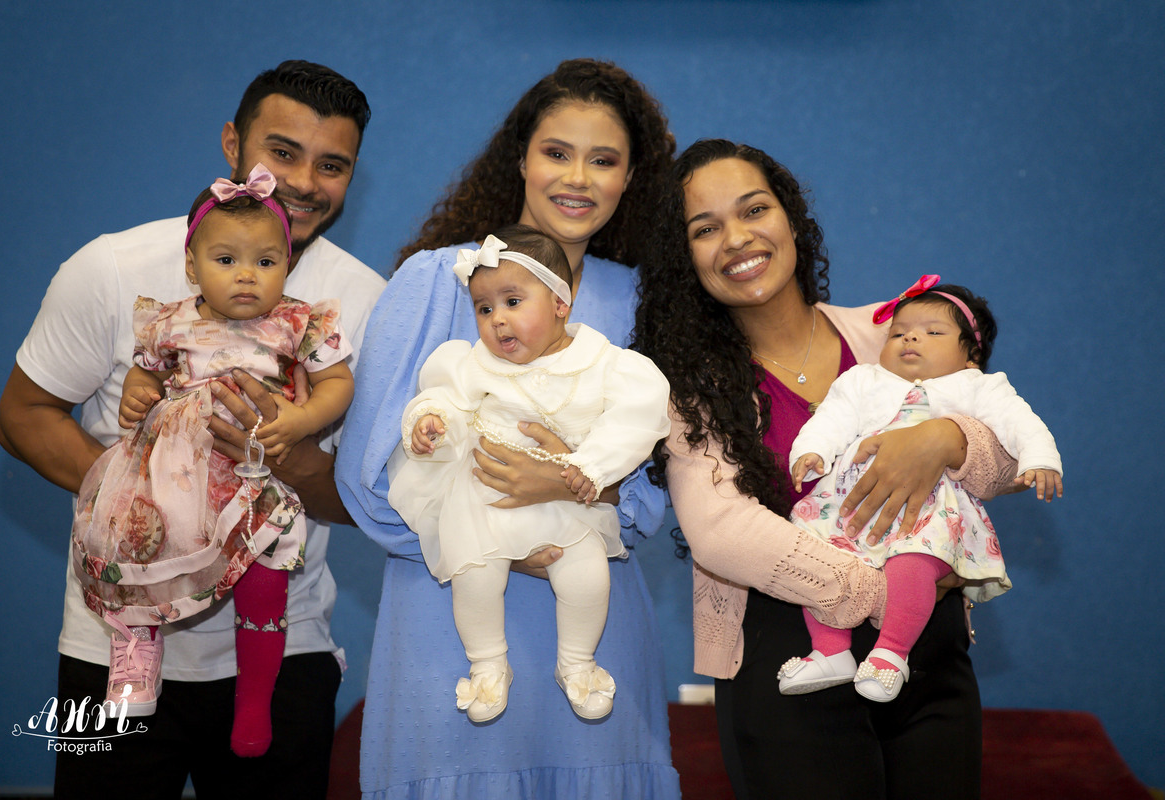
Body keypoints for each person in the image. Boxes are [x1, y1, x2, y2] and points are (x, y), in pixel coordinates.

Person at [0, 61, 384, 798]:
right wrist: (142, 502)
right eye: (283, 151)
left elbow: (375, 500)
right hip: (109, 647)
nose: (305, 182)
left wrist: (282, 451)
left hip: (287, 653)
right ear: (232, 143)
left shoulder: (363, 304)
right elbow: (22, 417)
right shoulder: (114, 268)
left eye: (332, 165)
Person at [335, 59, 682, 798]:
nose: (578, 178)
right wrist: (488, 535)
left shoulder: (643, 299)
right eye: (557, 152)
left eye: (604, 160)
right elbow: (364, 474)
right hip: (446, 620)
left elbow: (660, 487)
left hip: (597, 613)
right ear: (520, 158)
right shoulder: (436, 281)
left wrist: (571, 489)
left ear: (632, 177)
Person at [634, 139, 1020, 799]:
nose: (737, 238)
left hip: (929, 660)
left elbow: (1007, 458)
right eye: (705, 228)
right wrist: (888, 598)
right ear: (684, 256)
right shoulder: (687, 389)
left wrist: (946, 439)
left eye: (754, 209)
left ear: (791, 218)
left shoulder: (885, 332)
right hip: (787, 657)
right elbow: (720, 531)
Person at [73, 164, 355, 758]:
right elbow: (146, 374)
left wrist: (303, 419)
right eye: (226, 260)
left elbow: (337, 383)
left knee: (264, 584)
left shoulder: (299, 322)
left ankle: (254, 702)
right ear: (191, 265)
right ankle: (136, 655)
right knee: (134, 545)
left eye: (266, 261)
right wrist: (136, 394)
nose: (247, 275)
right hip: (172, 476)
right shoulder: (170, 322)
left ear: (287, 264)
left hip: (252, 479)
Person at [391, 227, 670, 723]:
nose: (497, 319)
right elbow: (445, 398)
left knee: (587, 576)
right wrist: (430, 421)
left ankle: (577, 664)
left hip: (567, 498)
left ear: (561, 303)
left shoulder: (604, 364)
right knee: (474, 575)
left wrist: (591, 466)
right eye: (483, 308)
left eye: (513, 301)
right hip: (485, 499)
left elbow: (635, 419)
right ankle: (487, 665)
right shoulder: (473, 363)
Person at [779, 276, 1062, 703]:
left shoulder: (978, 386)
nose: (911, 337)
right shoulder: (863, 380)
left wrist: (1039, 458)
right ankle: (830, 650)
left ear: (971, 356)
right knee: (814, 554)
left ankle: (892, 652)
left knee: (914, 563)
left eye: (933, 332)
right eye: (898, 333)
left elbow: (1019, 423)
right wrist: (811, 451)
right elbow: (831, 418)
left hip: (926, 508)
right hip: (852, 502)